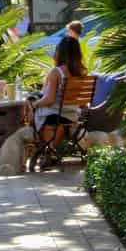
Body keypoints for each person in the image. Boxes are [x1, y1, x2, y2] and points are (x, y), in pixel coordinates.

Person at [25, 35, 87, 168]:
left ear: (60, 52)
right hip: (72, 115)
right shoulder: (81, 72)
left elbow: (50, 99)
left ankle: (44, 150)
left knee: (32, 110)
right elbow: (81, 102)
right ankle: (49, 151)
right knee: (40, 112)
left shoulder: (57, 72)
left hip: (55, 115)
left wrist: (34, 104)